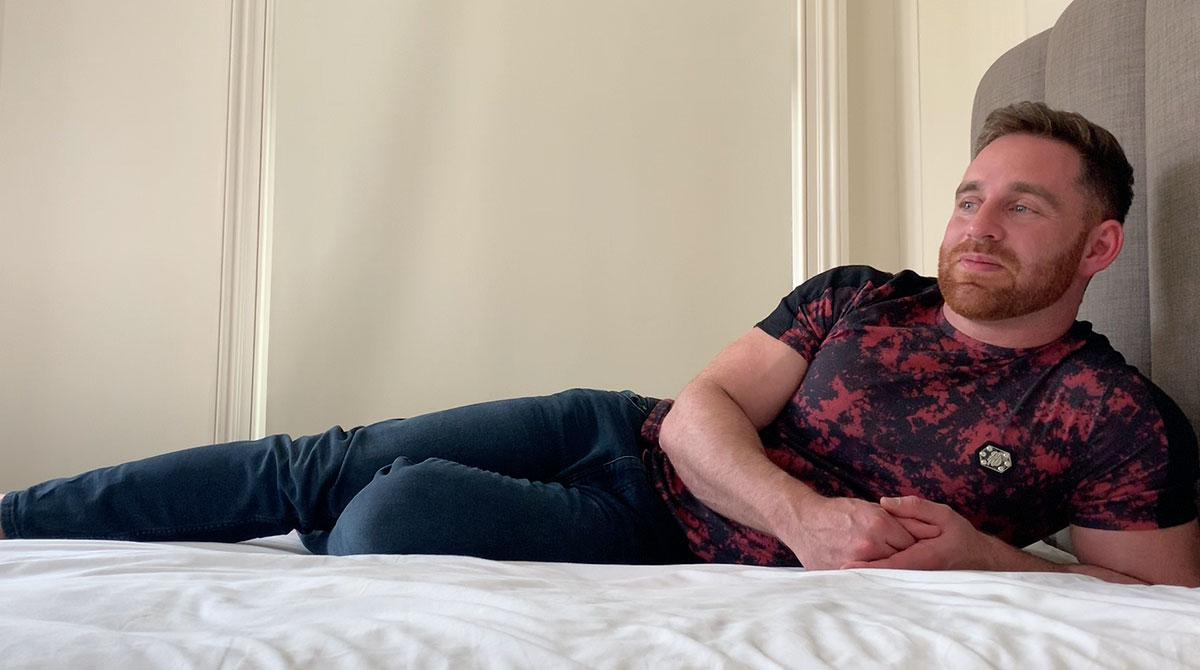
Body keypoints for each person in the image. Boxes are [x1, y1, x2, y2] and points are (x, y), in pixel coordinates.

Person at [2, 102, 1198, 586]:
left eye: (1021, 207)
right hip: (621, 433)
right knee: (319, 460)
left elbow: (1156, 596)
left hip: (654, 536)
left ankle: (359, 505)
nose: (977, 225)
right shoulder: (858, 297)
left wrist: (989, 555)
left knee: (382, 515)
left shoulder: (1112, 415)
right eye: (969, 196)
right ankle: (16, 521)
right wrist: (801, 516)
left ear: (1099, 246)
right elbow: (702, 404)